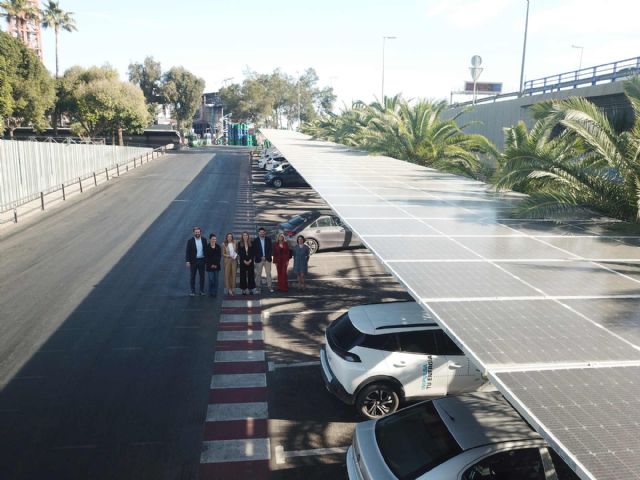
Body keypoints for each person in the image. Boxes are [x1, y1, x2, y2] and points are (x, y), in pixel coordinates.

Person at [185, 226, 208, 296]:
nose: (197, 233)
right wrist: (187, 261)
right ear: (193, 233)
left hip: (202, 260)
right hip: (193, 261)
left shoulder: (204, 240)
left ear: (200, 232)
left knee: (202, 276)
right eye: (196, 232)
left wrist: (206, 260)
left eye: (198, 232)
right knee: (193, 276)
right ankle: (192, 291)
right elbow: (187, 251)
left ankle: (201, 290)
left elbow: (206, 250)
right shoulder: (190, 241)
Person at [253, 227, 273, 293]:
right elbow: (254, 251)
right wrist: (261, 257)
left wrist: (266, 257)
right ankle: (258, 288)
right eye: (260, 232)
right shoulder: (255, 241)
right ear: (258, 233)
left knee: (268, 274)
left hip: (267, 259)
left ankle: (270, 287)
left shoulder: (268, 239)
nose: (262, 233)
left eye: (263, 232)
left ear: (265, 233)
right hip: (259, 259)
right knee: (258, 274)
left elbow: (271, 249)